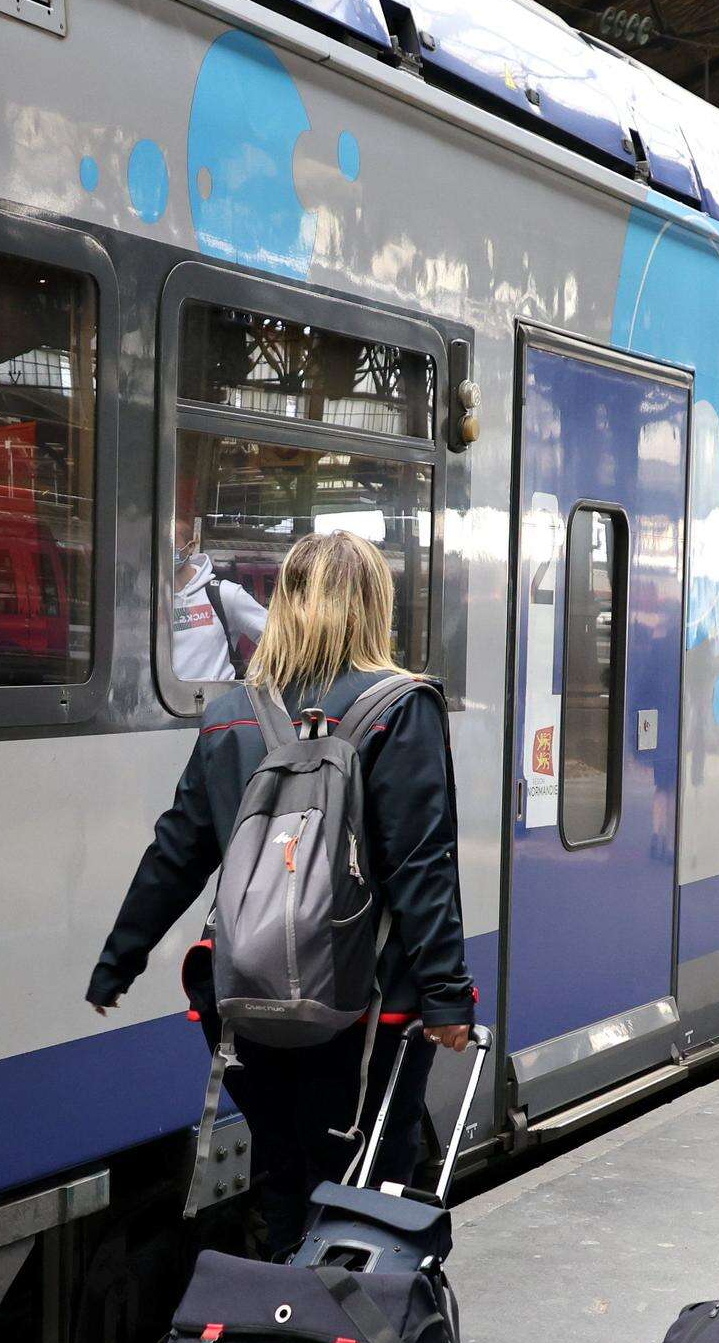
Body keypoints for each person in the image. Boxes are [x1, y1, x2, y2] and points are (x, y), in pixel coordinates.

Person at [88, 530, 474, 1254]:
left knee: (281, 1178)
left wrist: (119, 960)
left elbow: (177, 852)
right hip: (364, 1010)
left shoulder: (232, 714)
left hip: (247, 999)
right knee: (364, 1191)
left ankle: (279, 1335)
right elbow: (422, 866)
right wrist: (448, 998)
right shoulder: (401, 706)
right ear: (372, 607)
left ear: (286, 606)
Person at [166, 526, 268, 682]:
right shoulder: (146, 600)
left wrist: (255, 679)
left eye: (171, 543)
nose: (164, 550)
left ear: (190, 547)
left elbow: (275, 638)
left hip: (214, 701)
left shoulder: (223, 594)